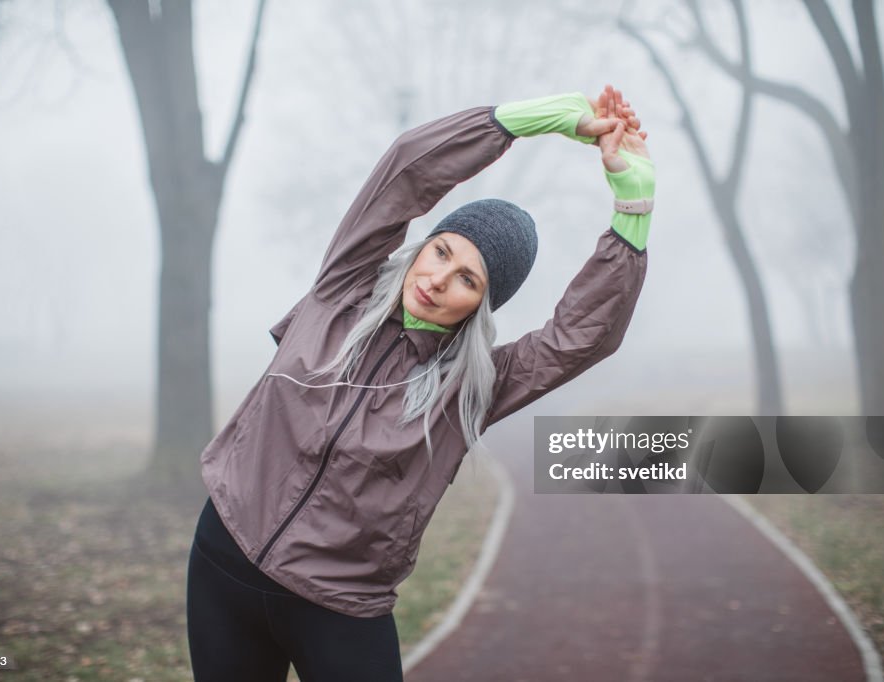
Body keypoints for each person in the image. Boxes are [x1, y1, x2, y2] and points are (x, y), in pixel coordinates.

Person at [186, 84, 655, 681]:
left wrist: (632, 207)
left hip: (339, 605)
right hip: (224, 559)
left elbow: (580, 336)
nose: (437, 279)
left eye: (467, 279)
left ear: (482, 306)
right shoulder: (342, 290)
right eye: (440, 252)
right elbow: (407, 171)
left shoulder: (473, 387)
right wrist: (521, 121)